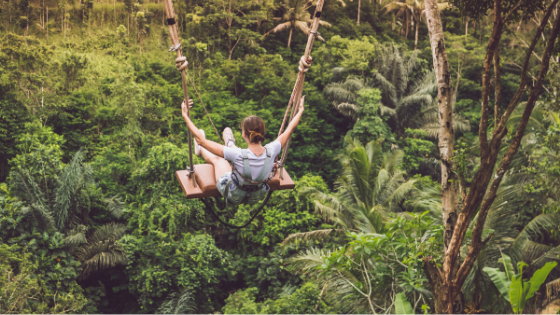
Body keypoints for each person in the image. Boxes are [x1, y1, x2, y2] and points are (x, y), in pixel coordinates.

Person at [180, 96, 305, 205]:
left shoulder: (237, 155)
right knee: (236, 157)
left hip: (234, 194)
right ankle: (230, 143)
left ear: (244, 134)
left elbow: (202, 140)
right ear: (262, 133)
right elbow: (290, 129)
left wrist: (185, 115)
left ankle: (202, 148)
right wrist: (300, 110)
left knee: (219, 160)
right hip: (256, 195)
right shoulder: (273, 149)